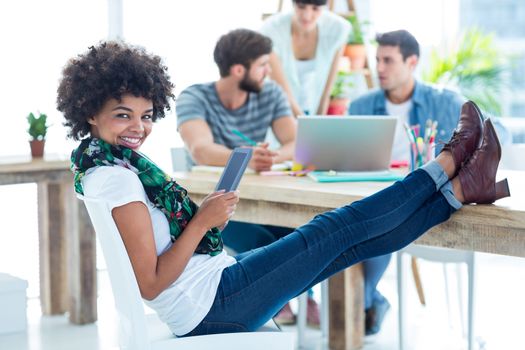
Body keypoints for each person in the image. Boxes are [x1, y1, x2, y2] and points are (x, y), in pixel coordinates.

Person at [60, 40, 510, 339]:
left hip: (215, 289)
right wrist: (201, 222)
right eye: (123, 115)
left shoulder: (108, 163)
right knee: (337, 226)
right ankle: (449, 163)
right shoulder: (115, 179)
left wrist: (204, 223)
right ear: (90, 111)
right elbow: (151, 283)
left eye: (145, 115)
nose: (138, 127)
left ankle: (460, 189)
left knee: (348, 244)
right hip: (212, 307)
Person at [176, 29, 315, 326]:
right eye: (263, 64)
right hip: (209, 205)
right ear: (239, 69)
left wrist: (271, 157)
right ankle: (275, 301)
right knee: (263, 240)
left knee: (299, 232)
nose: (268, 71)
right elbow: (200, 149)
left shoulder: (271, 93)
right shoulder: (194, 96)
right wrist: (245, 156)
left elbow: (295, 141)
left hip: (260, 196)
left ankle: (292, 300)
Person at [348, 29, 465, 335]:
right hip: (370, 195)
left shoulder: (443, 102)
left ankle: (362, 304)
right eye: (377, 60)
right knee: (354, 224)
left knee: (375, 224)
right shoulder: (360, 107)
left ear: (412, 62)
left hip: (420, 200)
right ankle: (365, 303)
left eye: (388, 60)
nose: (380, 68)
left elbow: (495, 131)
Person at [260, 0, 351, 117]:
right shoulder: (271, 29)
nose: (307, 16)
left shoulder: (338, 28)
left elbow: (327, 88)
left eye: (315, 9)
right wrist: (306, 124)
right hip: (278, 113)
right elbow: (281, 90)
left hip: (310, 107)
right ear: (293, 4)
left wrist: (318, 120)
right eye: (301, 7)